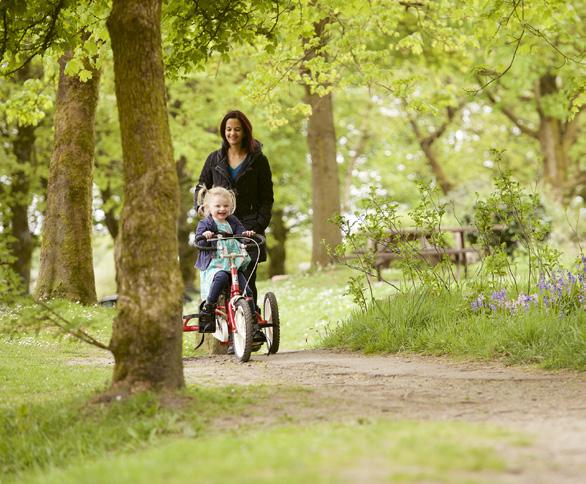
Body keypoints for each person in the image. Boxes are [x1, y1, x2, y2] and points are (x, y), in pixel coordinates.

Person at [194, 110, 274, 312]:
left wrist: (258, 225)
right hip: (220, 228)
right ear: (224, 132)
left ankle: (250, 323)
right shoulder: (214, 159)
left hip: (248, 226)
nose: (232, 133)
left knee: (247, 279)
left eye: (237, 129)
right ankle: (223, 325)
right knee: (220, 278)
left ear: (245, 131)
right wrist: (203, 212)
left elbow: (267, 198)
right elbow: (201, 186)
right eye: (228, 129)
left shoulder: (258, 161)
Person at [195, 187, 255, 333]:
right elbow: (199, 242)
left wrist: (246, 235)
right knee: (221, 277)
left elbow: (240, 233)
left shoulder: (232, 221)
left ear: (231, 207)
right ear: (208, 207)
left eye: (226, 206)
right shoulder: (206, 224)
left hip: (233, 264)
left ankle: (252, 320)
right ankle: (209, 306)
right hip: (215, 265)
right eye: (218, 206)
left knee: (247, 290)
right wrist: (206, 236)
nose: (222, 209)